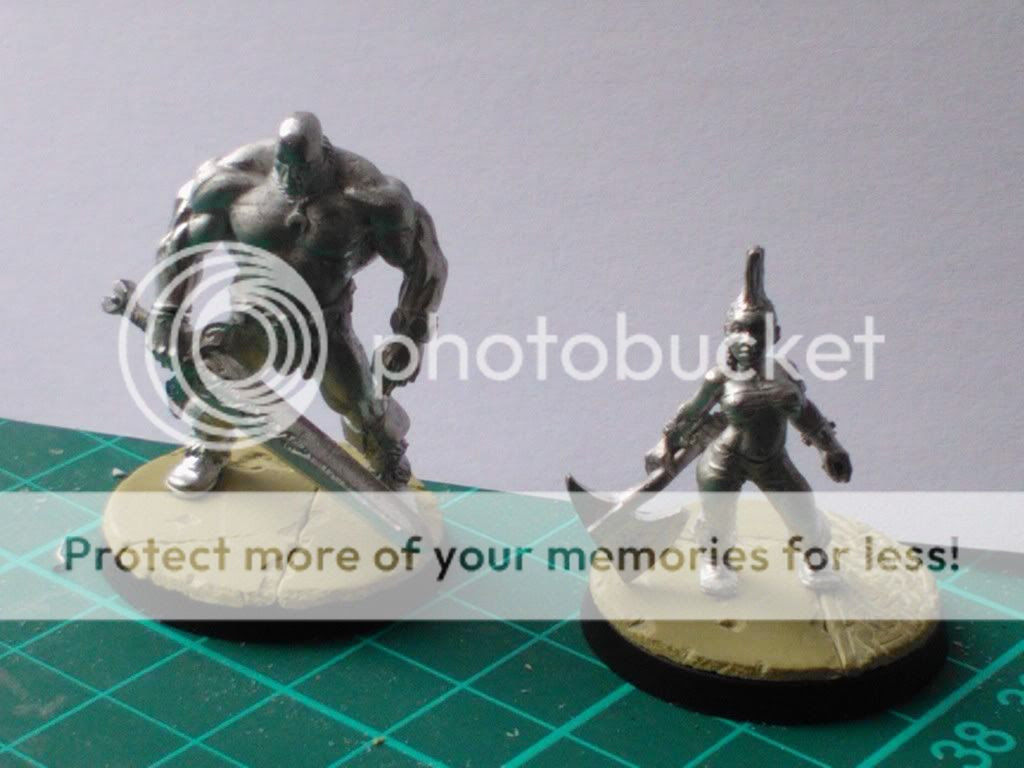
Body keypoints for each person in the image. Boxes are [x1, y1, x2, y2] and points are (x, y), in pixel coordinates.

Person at [147, 112, 447, 494]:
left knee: (361, 406)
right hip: (253, 314)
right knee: (217, 378)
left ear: (323, 157)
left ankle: (386, 457)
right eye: (285, 169)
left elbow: (425, 263)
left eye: (304, 171)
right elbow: (180, 244)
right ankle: (208, 447)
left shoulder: (369, 197)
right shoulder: (234, 183)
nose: (293, 180)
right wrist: (168, 311)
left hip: (324, 322)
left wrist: (410, 336)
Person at [649, 247, 851, 596]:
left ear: (776, 333)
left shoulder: (786, 372)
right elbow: (691, 413)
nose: (748, 340)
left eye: (758, 331)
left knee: (803, 512)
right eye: (739, 331)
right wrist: (665, 443)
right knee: (718, 520)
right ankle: (716, 561)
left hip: (772, 460)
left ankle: (815, 558)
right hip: (723, 461)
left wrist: (830, 447)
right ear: (726, 332)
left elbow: (805, 412)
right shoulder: (719, 377)